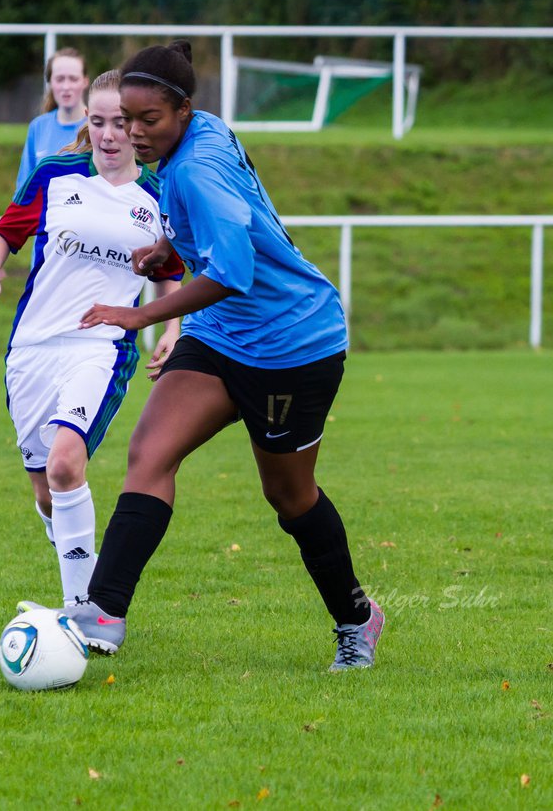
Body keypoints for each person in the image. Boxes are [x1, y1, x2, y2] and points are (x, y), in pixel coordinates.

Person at [31, 40, 384, 672]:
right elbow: (223, 230)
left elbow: (235, 270)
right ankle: (103, 611)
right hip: (222, 334)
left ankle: (357, 619)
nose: (135, 133)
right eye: (127, 119)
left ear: (184, 111)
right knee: (150, 453)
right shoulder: (199, 134)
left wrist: (139, 312)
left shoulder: (195, 166)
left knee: (290, 496)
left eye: (148, 121)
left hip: (292, 344)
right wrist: (168, 249)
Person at [0, 70, 185, 608]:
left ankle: (82, 612)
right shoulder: (56, 175)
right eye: (99, 122)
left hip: (102, 346)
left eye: (122, 122)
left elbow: (168, 270)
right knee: (46, 489)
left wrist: (170, 327)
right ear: (85, 123)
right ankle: (75, 565)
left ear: (137, 126)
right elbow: (6, 231)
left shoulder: (160, 194)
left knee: (67, 463)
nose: (110, 134)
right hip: (33, 348)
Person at [15, 48, 89, 191]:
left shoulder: (98, 125)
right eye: (60, 79)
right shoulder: (38, 127)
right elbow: (23, 189)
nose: (66, 87)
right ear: (50, 82)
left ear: (85, 82)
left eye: (73, 79)